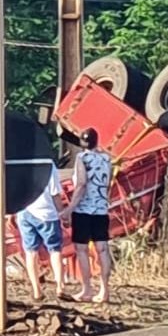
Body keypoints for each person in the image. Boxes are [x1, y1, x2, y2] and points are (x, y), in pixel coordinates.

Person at [61, 127, 113, 303]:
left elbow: (81, 184)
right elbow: (107, 183)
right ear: (97, 141)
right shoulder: (107, 159)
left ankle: (87, 290)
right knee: (103, 249)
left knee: (81, 250)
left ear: (82, 143)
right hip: (101, 209)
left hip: (83, 210)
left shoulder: (82, 158)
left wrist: (68, 209)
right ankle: (105, 290)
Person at [16, 161, 67, 302]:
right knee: (55, 250)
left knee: (31, 252)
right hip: (46, 213)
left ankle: (37, 291)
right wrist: (62, 213)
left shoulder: (19, 163)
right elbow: (55, 193)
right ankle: (60, 287)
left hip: (25, 211)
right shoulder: (49, 165)